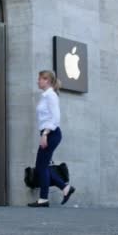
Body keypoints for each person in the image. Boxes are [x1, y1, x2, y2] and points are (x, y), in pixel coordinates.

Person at [28, 70, 75, 207]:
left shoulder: (51, 96)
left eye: (40, 79)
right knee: (43, 166)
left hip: (51, 133)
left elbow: (55, 118)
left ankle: (45, 198)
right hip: (48, 133)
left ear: (47, 80)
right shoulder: (46, 96)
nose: (38, 81)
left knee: (41, 166)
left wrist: (45, 134)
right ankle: (64, 188)